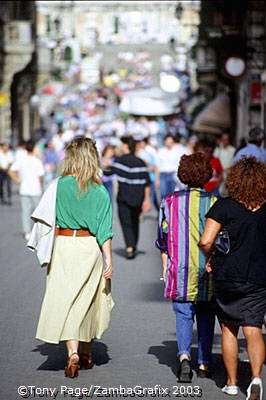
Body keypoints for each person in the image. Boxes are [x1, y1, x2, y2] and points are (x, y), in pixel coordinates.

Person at [29, 137, 114, 378]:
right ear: (93, 158)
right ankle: (86, 354)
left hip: (64, 245)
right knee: (89, 298)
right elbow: (104, 230)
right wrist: (109, 259)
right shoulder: (99, 191)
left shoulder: (58, 185)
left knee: (65, 299)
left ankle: (73, 353)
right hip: (90, 247)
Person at [199, 157, 266, 399]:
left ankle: (231, 382)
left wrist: (211, 257)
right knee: (253, 328)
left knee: (228, 328)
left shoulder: (223, 206)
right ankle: (256, 378)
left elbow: (206, 240)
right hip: (259, 276)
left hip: (227, 274)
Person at [156, 152, 217, 382]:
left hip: (179, 267)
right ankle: (204, 362)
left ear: (183, 174)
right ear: (206, 175)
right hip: (207, 269)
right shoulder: (213, 202)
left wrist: (165, 266)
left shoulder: (169, 202)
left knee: (183, 314)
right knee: (205, 315)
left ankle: (184, 357)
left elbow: (162, 238)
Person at [112, 136, 151, 259]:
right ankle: (133, 245)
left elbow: (107, 172)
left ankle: (130, 246)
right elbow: (146, 182)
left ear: (126, 146)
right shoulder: (141, 162)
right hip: (138, 197)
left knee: (126, 222)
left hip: (124, 196)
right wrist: (147, 199)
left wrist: (107, 158)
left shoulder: (120, 161)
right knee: (135, 222)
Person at [9, 140, 44, 240]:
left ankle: (27, 231)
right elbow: (41, 176)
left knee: (25, 211)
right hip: (35, 190)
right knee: (38, 212)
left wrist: (17, 180)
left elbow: (11, 170)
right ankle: (39, 231)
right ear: (34, 149)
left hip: (24, 189)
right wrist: (40, 185)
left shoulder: (22, 160)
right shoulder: (37, 161)